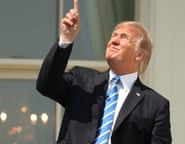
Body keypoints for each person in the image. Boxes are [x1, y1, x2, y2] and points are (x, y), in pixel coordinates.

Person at [36, 0, 172, 143]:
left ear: (139, 55)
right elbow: (46, 85)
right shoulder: (81, 79)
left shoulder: (155, 105)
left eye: (123, 37)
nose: (114, 41)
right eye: (114, 35)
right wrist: (66, 39)